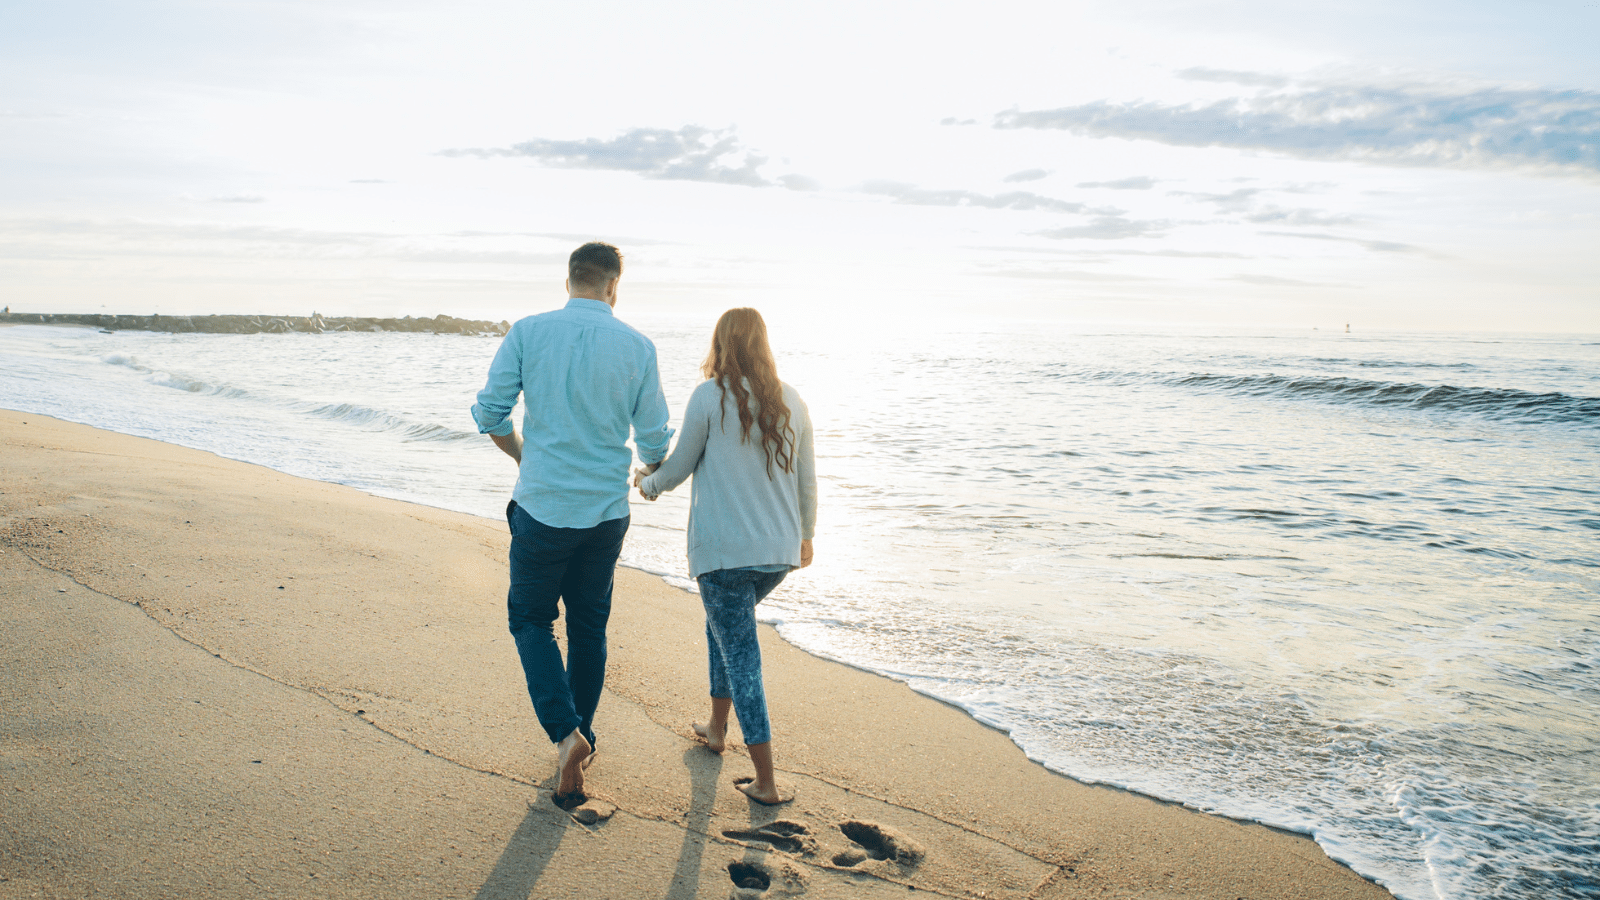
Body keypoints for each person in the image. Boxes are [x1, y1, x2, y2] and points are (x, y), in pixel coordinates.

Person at [471, 241, 672, 804]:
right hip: (606, 512)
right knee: (589, 627)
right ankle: (581, 733)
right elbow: (655, 438)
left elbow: (490, 413)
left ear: (568, 282)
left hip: (542, 506)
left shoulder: (528, 333)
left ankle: (566, 734)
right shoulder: (638, 346)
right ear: (613, 287)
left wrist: (521, 454)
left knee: (531, 621)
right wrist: (648, 473)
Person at [635, 307, 816, 805]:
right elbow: (807, 480)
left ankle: (768, 782)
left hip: (723, 555)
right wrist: (807, 537)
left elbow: (678, 468)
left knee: (742, 657)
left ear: (719, 345)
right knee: (725, 631)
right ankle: (716, 728)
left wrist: (646, 483)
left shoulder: (709, 397)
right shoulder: (791, 399)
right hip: (777, 554)